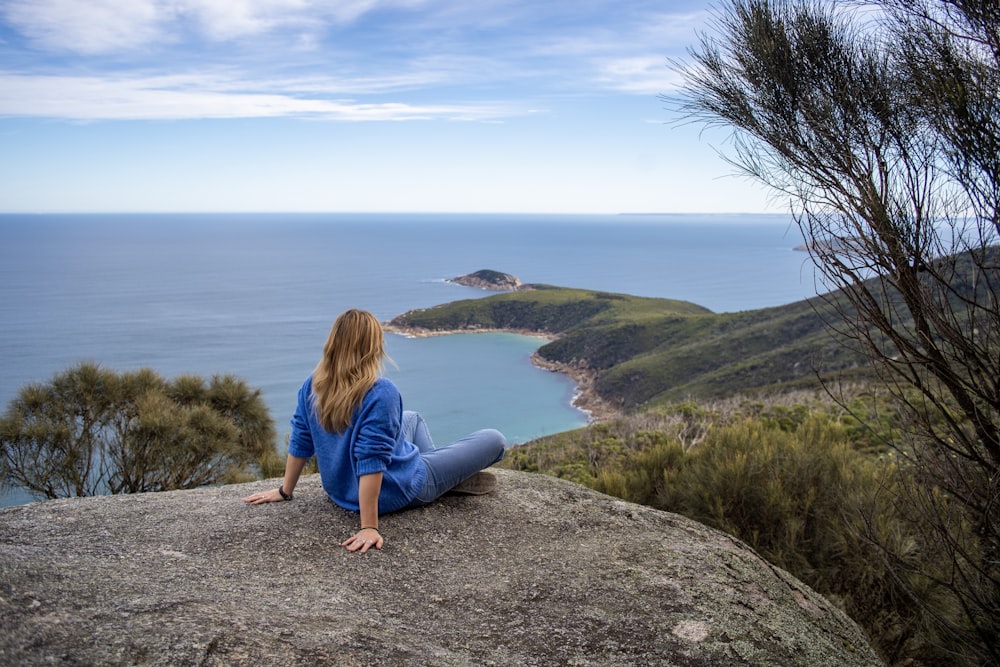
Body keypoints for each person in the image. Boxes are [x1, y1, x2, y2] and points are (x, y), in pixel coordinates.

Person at [243, 308, 507, 554]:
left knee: (411, 418)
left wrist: (285, 491)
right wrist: (369, 525)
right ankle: (440, 485)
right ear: (373, 346)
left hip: (339, 491)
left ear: (333, 343)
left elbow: (301, 439)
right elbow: (371, 460)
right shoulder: (381, 392)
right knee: (495, 439)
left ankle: (445, 480)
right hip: (398, 490)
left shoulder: (313, 385)